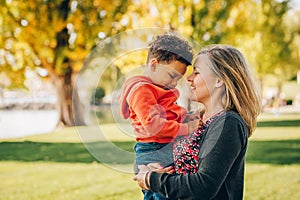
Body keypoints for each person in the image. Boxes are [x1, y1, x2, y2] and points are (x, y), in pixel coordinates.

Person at [134, 44, 261, 199]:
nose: (188, 78)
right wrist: (147, 168)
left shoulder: (228, 123)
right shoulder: (193, 119)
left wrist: (151, 179)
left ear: (219, 80)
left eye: (197, 72)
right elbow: (151, 148)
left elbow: (203, 186)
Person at [119, 32, 200, 200]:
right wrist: (186, 128)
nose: (174, 83)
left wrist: (187, 118)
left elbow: (169, 114)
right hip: (154, 149)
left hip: (163, 146)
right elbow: (153, 125)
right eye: (172, 76)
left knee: (168, 191)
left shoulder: (159, 89)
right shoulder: (142, 90)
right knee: (160, 193)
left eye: (178, 79)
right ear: (154, 65)